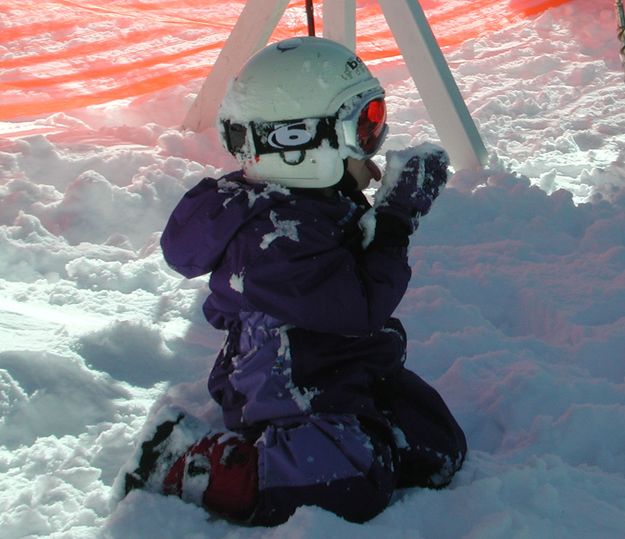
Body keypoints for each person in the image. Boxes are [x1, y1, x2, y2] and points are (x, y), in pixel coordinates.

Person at [120, 36, 467, 526]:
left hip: (334, 361)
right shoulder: (273, 237)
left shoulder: (304, 200)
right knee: (355, 478)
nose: (377, 137)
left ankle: (354, 434)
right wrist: (395, 218)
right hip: (285, 387)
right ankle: (186, 461)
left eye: (375, 119)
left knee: (436, 446)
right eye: (364, 127)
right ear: (297, 143)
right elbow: (359, 307)